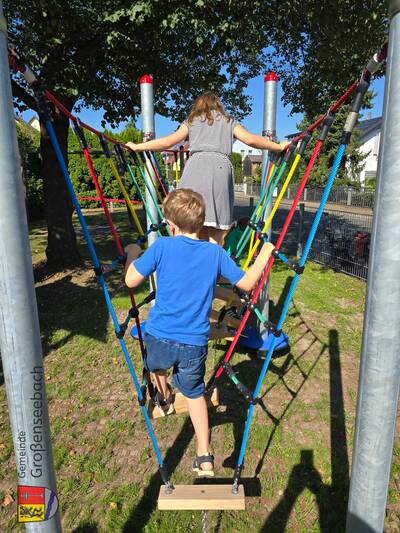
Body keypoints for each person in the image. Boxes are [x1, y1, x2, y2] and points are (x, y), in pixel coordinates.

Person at [124, 188, 275, 477]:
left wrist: (132, 253)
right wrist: (264, 254)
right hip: (194, 343)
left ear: (170, 224)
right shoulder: (215, 253)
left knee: (155, 366)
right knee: (195, 395)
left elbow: (131, 280)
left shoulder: (162, 247)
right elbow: (245, 284)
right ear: (202, 223)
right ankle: (205, 456)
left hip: (158, 336)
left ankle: (164, 396)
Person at [126, 92, 289, 245]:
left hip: (195, 167)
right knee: (216, 229)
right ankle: (213, 261)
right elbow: (250, 139)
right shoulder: (228, 121)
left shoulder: (192, 121)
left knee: (189, 220)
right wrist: (278, 146)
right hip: (219, 169)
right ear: (218, 106)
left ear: (198, 106)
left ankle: (190, 262)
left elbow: (168, 141)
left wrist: (138, 146)